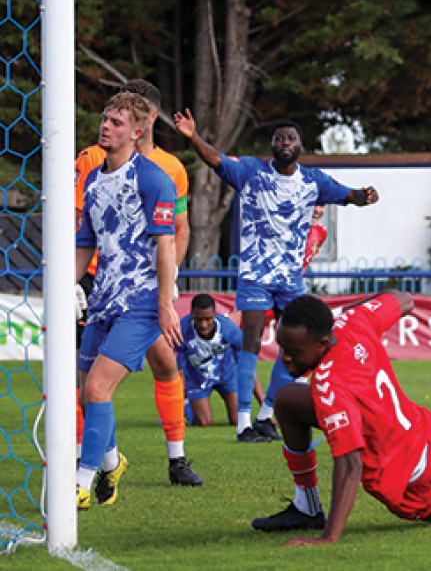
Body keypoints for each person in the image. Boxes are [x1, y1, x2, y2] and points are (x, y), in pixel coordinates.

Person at [251, 291, 431, 546]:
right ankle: (307, 507)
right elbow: (403, 300)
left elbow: (350, 464)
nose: (284, 357)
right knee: (288, 400)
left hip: (408, 468)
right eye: (282, 348)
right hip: (413, 427)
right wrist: (340, 313)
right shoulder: (353, 322)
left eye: (293, 351)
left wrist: (330, 537)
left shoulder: (331, 385)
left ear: (323, 342)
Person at [173, 108, 380, 444]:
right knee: (252, 338)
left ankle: (267, 414)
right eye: (279, 138)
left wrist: (365, 196)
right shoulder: (252, 171)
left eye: (291, 138)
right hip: (255, 271)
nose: (285, 143)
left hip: (290, 277)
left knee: (295, 341)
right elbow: (215, 160)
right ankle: (243, 424)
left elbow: (349, 195)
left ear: (300, 145)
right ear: (272, 145)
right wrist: (193, 137)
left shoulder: (314, 181)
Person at [73, 79, 201, 490]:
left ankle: (82, 481)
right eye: (105, 118)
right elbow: (85, 240)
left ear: (139, 130)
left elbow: (172, 237)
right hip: (103, 299)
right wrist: (67, 287)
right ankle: (111, 461)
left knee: (102, 384)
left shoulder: (161, 177)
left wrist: (167, 298)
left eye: (116, 121)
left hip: (143, 300)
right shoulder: (93, 175)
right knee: (86, 392)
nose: (105, 126)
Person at [250, 204, 331, 440]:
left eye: (322, 205)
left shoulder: (321, 233)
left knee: (295, 352)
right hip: (266, 294)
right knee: (238, 344)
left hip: (287, 296)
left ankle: (265, 415)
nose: (317, 210)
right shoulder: (289, 228)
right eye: (313, 204)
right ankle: (249, 419)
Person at [177, 293, 244, 426]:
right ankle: (186, 406)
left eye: (208, 319)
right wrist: (177, 404)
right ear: (191, 314)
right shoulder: (182, 330)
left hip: (227, 374)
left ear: (215, 314)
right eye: (198, 319)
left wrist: (264, 409)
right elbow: (177, 369)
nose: (203, 325)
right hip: (197, 378)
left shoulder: (230, 329)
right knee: (204, 423)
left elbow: (247, 366)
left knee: (238, 420)